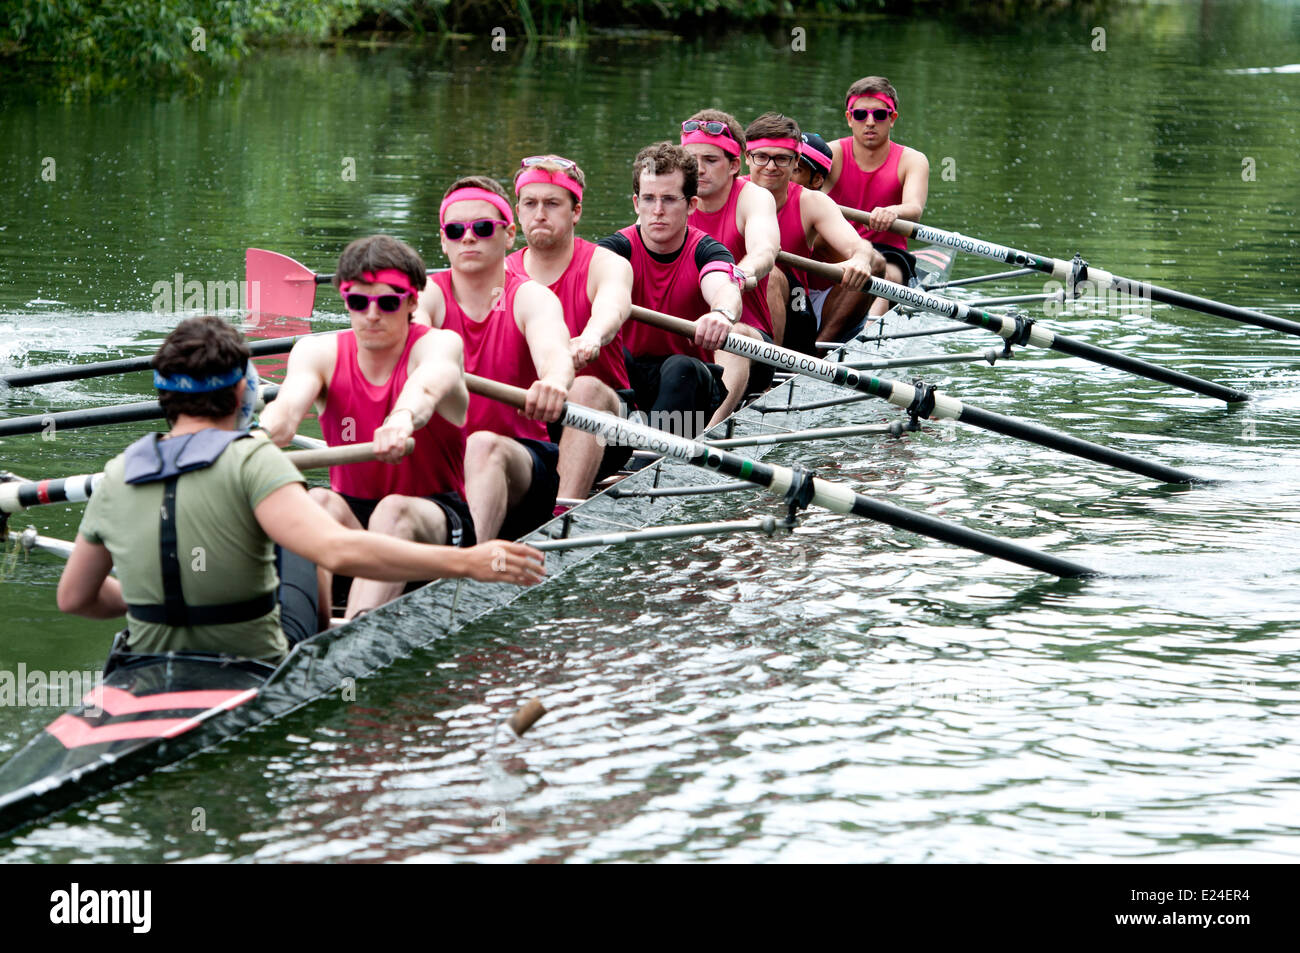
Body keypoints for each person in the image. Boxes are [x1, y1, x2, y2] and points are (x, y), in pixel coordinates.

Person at [56, 316, 545, 664]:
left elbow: (75, 599)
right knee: (303, 521)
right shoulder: (253, 459)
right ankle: (325, 648)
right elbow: (338, 549)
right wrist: (469, 562)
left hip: (142, 661)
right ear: (243, 392)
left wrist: (155, 596)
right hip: (252, 660)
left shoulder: (118, 472)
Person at [259, 235, 475, 625]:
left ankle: (351, 636)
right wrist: (255, 441)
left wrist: (400, 420)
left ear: (412, 303)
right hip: (352, 525)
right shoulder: (317, 352)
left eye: (388, 302)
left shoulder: (441, 345)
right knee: (315, 502)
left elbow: (426, 387)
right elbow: (286, 412)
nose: (372, 314)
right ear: (346, 302)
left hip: (434, 521)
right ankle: (305, 635)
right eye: (359, 302)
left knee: (392, 511)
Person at [415, 176, 573, 540]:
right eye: (455, 230)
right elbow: (414, 337)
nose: (468, 237)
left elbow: (556, 354)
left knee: (481, 444)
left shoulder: (531, 298)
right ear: (443, 240)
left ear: (509, 234)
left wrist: (552, 382)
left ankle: (471, 572)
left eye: (483, 228)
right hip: (444, 469)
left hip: (521, 470)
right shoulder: (425, 297)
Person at [506, 155, 635, 507]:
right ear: (517, 212)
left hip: (602, 424)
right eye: (530, 204)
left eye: (552, 203)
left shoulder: (606, 264)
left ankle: (561, 513)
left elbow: (613, 304)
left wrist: (592, 336)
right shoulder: (498, 273)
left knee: (585, 387)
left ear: (575, 212)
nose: (540, 214)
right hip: (526, 421)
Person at [596, 142, 745, 441]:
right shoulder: (615, 249)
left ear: (691, 205)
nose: (658, 211)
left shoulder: (707, 250)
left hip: (688, 386)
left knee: (681, 369)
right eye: (649, 199)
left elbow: (723, 288)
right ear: (637, 204)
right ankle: (613, 447)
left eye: (669, 199)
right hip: (629, 379)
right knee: (602, 352)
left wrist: (721, 314)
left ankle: (647, 457)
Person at [741, 113, 885, 350]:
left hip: (795, 318)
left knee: (772, 274)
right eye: (762, 157)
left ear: (795, 160)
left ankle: (768, 372)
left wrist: (860, 259)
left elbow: (859, 246)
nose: (770, 166)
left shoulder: (812, 203)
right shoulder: (727, 191)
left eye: (781, 159)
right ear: (747, 157)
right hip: (733, 301)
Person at [681, 109, 781, 384]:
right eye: (691, 160)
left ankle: (711, 426)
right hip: (684, 336)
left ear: (735, 165)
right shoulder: (667, 199)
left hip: (747, 342)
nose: (698, 169)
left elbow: (764, 250)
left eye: (710, 160)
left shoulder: (754, 198)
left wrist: (737, 276)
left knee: (731, 333)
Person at [824, 76, 930, 316]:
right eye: (861, 115)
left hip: (888, 254)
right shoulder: (831, 154)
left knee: (882, 278)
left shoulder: (911, 160)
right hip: (837, 246)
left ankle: (870, 331)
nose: (870, 122)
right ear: (850, 118)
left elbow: (914, 209)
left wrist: (894, 211)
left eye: (879, 115)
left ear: (892, 119)